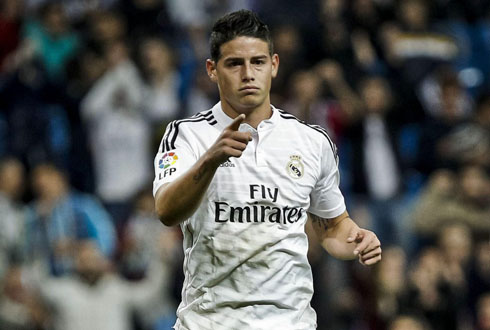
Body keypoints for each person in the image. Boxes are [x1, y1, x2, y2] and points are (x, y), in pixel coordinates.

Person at [153, 10, 382, 330]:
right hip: (210, 322)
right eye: (234, 63)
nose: (248, 73)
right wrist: (209, 161)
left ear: (274, 65)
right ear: (212, 70)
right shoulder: (187, 135)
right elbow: (166, 210)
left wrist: (356, 239)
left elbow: (332, 227)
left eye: (257, 62)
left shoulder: (312, 141)